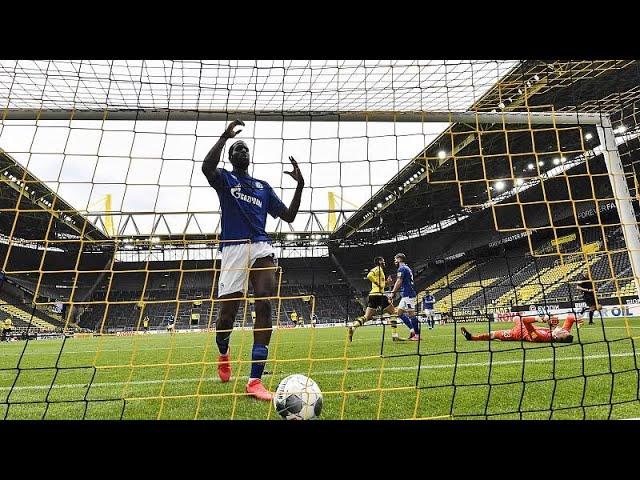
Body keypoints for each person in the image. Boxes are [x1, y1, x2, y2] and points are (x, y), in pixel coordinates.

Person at [202, 119, 304, 401]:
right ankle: (223, 352)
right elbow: (206, 168)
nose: (242, 151)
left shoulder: (262, 187)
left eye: (245, 148)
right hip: (233, 248)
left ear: (250, 157)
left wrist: (300, 186)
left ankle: (255, 380)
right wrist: (225, 136)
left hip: (260, 246)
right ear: (231, 157)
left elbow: (289, 216)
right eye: (237, 149)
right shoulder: (225, 179)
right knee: (226, 317)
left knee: (265, 301)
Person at [348, 256, 401, 342]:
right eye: (383, 261)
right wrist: (378, 284)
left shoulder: (380, 272)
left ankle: (353, 327)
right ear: (380, 261)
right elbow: (369, 275)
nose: (384, 262)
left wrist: (387, 282)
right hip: (379, 295)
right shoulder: (378, 269)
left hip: (373, 295)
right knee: (393, 313)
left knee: (367, 317)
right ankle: (394, 335)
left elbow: (382, 284)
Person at [460, 313, 581, 343]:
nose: (562, 328)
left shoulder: (540, 337)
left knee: (493, 334)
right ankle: (514, 318)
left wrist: (538, 319)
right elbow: (570, 318)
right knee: (516, 317)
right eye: (564, 329)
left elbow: (526, 322)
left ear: (557, 337)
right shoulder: (564, 333)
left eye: (561, 331)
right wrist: (577, 319)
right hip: (525, 326)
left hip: (518, 334)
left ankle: (471, 338)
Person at [389, 253, 420, 341]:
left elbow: (399, 281)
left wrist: (392, 293)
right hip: (405, 294)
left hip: (408, 293)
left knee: (411, 314)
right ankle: (412, 330)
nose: (394, 261)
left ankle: (417, 335)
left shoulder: (401, 268)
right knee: (399, 313)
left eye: (395, 259)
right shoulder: (407, 268)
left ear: (399, 259)